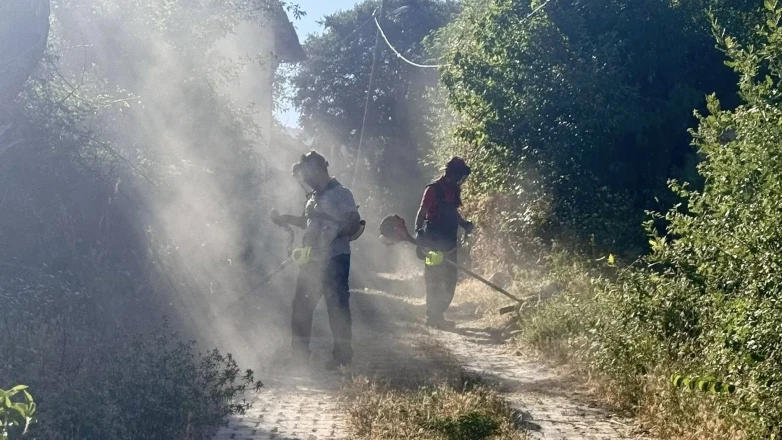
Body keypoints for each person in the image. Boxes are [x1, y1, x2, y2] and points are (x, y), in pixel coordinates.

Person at [270, 151, 362, 370]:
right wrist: (286, 219)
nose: (305, 178)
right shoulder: (313, 196)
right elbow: (308, 222)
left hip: (335, 258)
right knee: (301, 306)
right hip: (312, 260)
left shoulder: (342, 193)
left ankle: (342, 359)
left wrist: (332, 236)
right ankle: (299, 357)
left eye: (307, 172)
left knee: (337, 307)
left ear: (319, 170)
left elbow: (354, 223)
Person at [414, 157, 474, 330]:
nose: (461, 179)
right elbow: (422, 211)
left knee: (450, 279)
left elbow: (452, 213)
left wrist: (464, 224)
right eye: (460, 175)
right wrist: (418, 232)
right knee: (433, 278)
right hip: (433, 240)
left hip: (450, 241)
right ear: (453, 173)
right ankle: (433, 316)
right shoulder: (433, 189)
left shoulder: (453, 190)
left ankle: (438, 313)